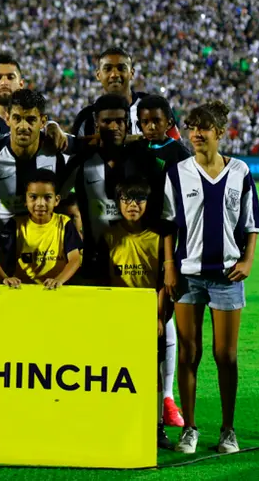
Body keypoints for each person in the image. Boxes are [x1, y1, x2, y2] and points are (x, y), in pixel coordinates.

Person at [163, 101, 259, 455]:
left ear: (220, 133)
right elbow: (168, 226)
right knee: (189, 353)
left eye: (203, 128)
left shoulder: (240, 171)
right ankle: (189, 429)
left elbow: (252, 224)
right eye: (192, 128)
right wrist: (170, 268)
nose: (196, 134)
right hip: (189, 275)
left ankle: (227, 430)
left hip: (227, 275)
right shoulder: (178, 172)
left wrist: (248, 260)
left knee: (226, 356)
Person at [96, 176, 173, 450]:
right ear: (118, 203)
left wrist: (158, 317)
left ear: (147, 204)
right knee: (114, 372)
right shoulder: (108, 235)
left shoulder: (157, 237)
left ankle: (156, 426)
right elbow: (103, 280)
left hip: (147, 316)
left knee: (153, 372)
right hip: (118, 314)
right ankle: (116, 420)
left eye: (139, 200)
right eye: (127, 200)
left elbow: (162, 283)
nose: (132, 205)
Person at [130, 94, 190, 429]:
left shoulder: (178, 154)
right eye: (145, 121)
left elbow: (177, 210)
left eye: (157, 121)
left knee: (162, 316)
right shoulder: (134, 149)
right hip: (132, 242)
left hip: (165, 245)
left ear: (169, 122)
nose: (151, 127)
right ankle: (137, 393)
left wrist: (171, 256)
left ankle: (166, 397)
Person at [0, 89, 71, 241]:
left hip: (47, 248)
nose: (23, 126)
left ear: (43, 121)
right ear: (7, 118)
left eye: (30, 120)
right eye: (17, 118)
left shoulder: (58, 154)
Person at [66, 94, 148, 281]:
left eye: (120, 121)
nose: (114, 127)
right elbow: (57, 198)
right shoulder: (81, 162)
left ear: (127, 123)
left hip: (135, 261)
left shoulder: (142, 160)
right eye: (107, 121)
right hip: (93, 261)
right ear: (96, 124)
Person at [0, 169, 82, 290]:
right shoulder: (16, 224)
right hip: (23, 291)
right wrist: (4, 278)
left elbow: (75, 259)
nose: (40, 203)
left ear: (56, 200)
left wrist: (58, 280)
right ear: (25, 200)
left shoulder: (65, 223)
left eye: (47, 197)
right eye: (33, 197)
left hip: (56, 291)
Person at [71, 47, 182, 141]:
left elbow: (178, 150)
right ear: (98, 75)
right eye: (108, 69)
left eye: (121, 68)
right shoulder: (86, 118)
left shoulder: (156, 108)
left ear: (131, 73)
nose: (114, 74)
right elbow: (74, 157)